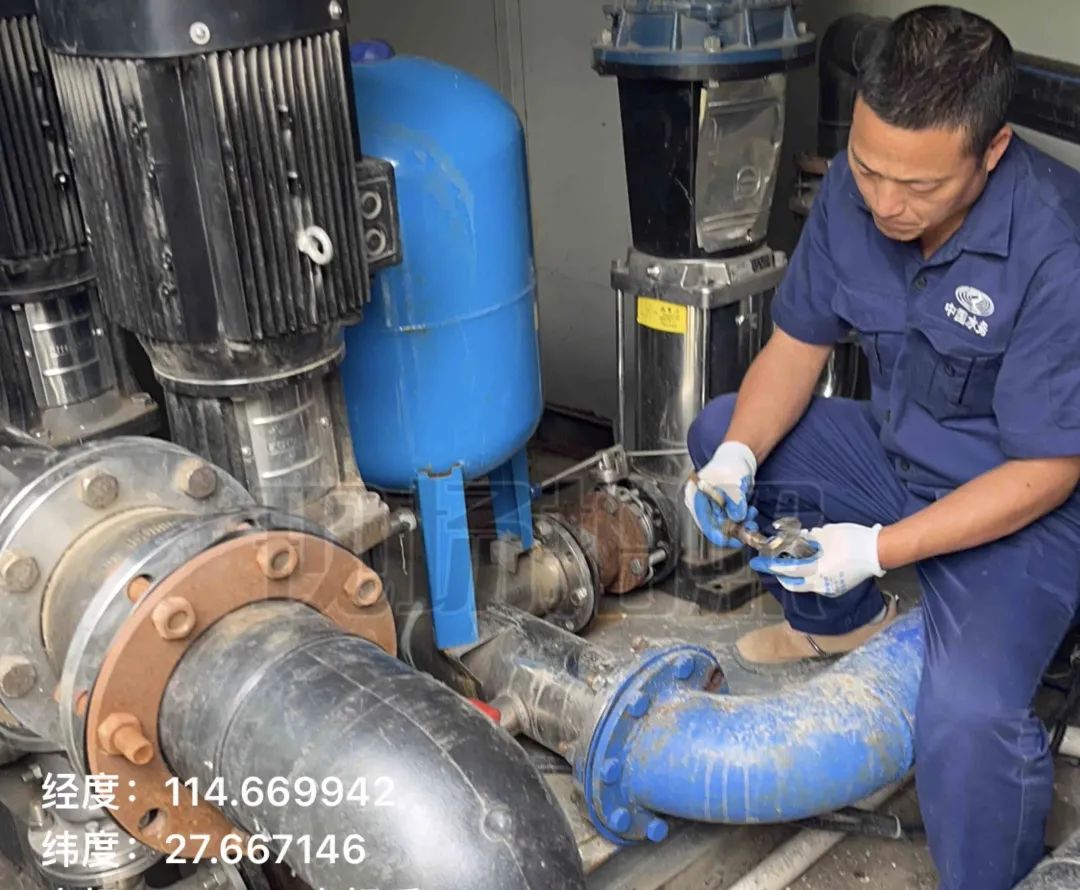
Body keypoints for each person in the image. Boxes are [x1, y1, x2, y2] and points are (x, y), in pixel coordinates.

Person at [683, 7, 1080, 890]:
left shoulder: (1059, 246)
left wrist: (876, 549)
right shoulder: (853, 193)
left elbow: (1049, 470)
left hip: (1022, 509)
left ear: (992, 150)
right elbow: (797, 348)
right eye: (869, 169)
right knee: (722, 431)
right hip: (899, 455)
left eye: (919, 185)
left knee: (967, 719)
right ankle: (844, 628)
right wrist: (736, 459)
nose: (886, 204)